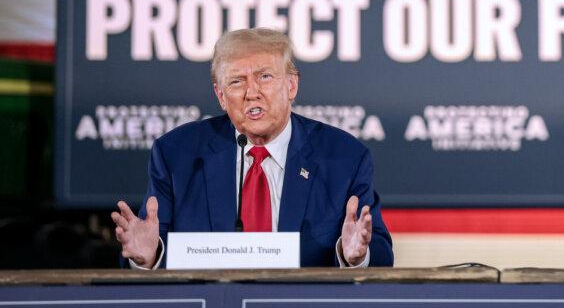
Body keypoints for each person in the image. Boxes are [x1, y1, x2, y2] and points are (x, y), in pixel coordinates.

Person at [111, 28, 393, 268]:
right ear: (221, 96)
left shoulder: (344, 158)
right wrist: (150, 257)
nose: (252, 92)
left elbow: (380, 254)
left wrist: (353, 256)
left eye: (265, 77)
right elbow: (145, 248)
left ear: (292, 86)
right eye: (237, 81)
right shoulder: (177, 155)